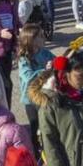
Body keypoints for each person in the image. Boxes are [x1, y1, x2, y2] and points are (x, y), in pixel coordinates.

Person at [15, 22, 54, 153]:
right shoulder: (23, 59)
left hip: (45, 94)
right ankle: (36, 154)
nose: (44, 38)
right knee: (35, 126)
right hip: (30, 99)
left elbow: (57, 61)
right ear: (31, 40)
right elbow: (28, 76)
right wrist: (45, 70)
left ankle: (49, 150)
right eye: (40, 36)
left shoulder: (45, 52)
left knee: (47, 125)